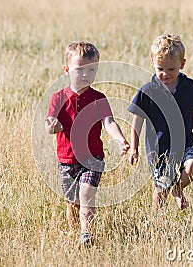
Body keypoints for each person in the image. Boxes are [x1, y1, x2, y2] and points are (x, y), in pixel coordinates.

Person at [45, 41, 129, 244]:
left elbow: (109, 122)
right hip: (66, 159)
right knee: (72, 202)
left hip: (93, 158)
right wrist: (53, 126)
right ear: (67, 70)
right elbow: (49, 126)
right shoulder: (58, 98)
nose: (85, 74)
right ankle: (75, 232)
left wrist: (119, 140)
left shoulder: (98, 98)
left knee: (86, 194)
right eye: (79, 69)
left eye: (91, 70)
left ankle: (86, 233)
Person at [128, 33, 193, 212]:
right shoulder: (148, 91)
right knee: (162, 188)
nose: (165, 74)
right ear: (153, 63)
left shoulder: (189, 87)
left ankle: (178, 189)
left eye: (171, 69)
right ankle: (157, 222)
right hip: (159, 149)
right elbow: (137, 120)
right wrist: (134, 147)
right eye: (160, 68)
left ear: (182, 64)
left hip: (186, 143)